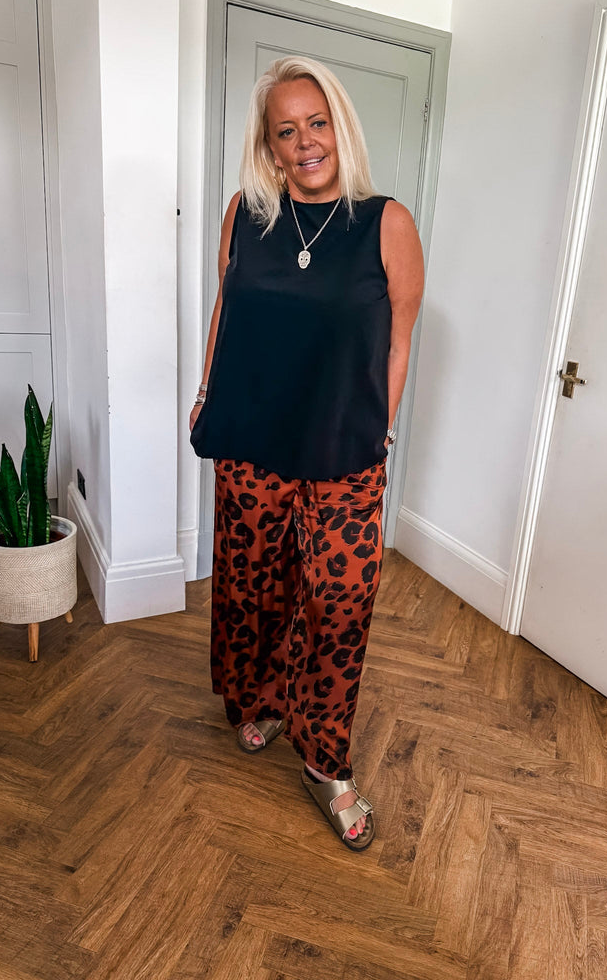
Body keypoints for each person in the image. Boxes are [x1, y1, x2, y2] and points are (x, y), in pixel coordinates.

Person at [190, 56, 424, 851]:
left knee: (340, 604)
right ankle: (258, 699)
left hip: (342, 450)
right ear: (270, 146)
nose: (306, 142)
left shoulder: (386, 223)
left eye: (317, 123)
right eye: (286, 131)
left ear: (340, 128)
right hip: (251, 440)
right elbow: (226, 311)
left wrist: (379, 430)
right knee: (254, 586)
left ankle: (326, 761)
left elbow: (397, 343)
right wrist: (205, 390)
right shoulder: (244, 215)